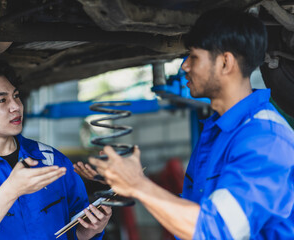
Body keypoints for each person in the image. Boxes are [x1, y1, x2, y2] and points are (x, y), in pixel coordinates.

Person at [87, 8, 294, 239]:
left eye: (193, 57)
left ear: (226, 63)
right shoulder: (219, 130)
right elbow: (199, 215)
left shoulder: (266, 139)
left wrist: (137, 184)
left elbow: (216, 230)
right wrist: (126, 181)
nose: (184, 66)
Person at [0, 59, 112, 240]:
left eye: (16, 96)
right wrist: (11, 191)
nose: (16, 106)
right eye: (2, 100)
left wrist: (90, 230)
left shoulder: (52, 159)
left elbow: (75, 231)